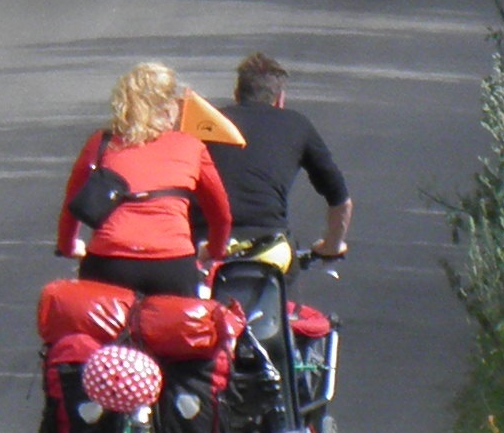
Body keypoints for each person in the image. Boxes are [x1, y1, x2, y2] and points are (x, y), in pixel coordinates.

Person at [57, 60, 233, 295]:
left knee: (96, 326)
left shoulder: (102, 142)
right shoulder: (191, 146)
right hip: (171, 263)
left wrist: (68, 246)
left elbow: (74, 205)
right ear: (169, 107)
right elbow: (220, 214)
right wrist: (216, 250)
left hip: (109, 261)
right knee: (181, 328)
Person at [211, 52, 350, 273]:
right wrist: (331, 246)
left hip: (205, 240)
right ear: (280, 99)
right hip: (266, 240)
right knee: (284, 300)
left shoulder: (209, 123)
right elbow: (340, 201)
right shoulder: (297, 124)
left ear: (237, 94)